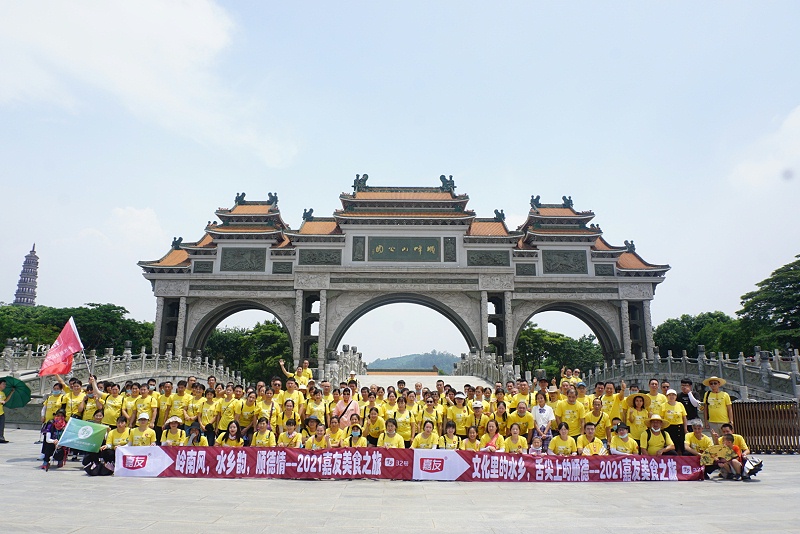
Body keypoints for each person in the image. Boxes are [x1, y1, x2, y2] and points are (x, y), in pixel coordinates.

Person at [661, 389, 688, 454]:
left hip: (679, 427)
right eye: (669, 395)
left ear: (676, 396)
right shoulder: (663, 405)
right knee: (671, 446)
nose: (671, 396)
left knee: (681, 445)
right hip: (668, 428)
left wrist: (685, 429)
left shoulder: (680, 404)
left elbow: (684, 417)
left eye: (673, 395)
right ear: (667, 396)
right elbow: (661, 418)